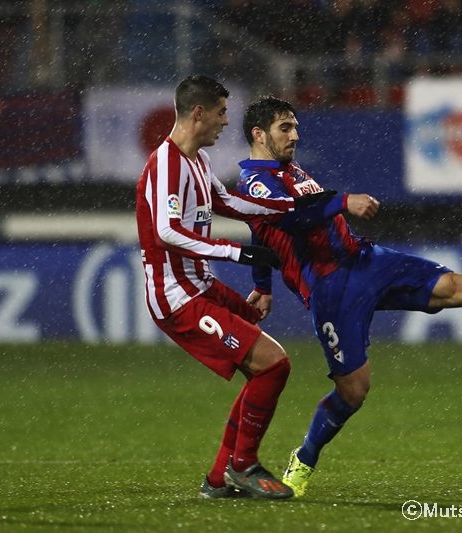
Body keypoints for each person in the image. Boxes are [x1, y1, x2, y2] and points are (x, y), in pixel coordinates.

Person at [235, 96, 462, 497]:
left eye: (296, 126)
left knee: (454, 287)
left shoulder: (286, 168)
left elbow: (258, 230)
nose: (295, 135)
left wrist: (262, 286)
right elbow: (290, 217)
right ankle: (305, 459)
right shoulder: (254, 182)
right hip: (332, 291)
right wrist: (342, 202)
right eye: (285, 128)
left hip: (365, 260)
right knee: (354, 391)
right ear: (258, 134)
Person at [135, 76, 330, 500]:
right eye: (222, 112)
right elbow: (167, 231)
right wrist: (236, 252)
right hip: (177, 298)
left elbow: (227, 203)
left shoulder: (198, 162)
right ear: (199, 113)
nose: (227, 122)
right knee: (272, 364)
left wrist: (290, 207)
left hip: (199, 286)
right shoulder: (165, 164)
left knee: (264, 367)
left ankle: (221, 476)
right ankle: (243, 466)